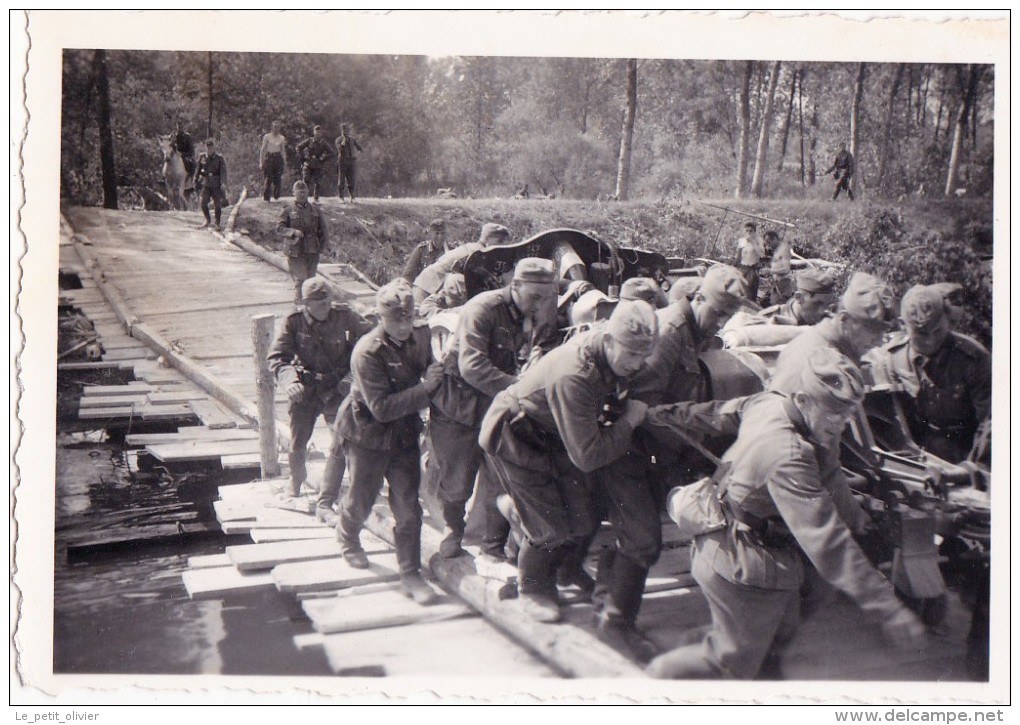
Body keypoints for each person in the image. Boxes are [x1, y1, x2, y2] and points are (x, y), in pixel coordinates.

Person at [644, 347, 926, 679]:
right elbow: (827, 542)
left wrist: (658, 414)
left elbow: (716, 413)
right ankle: (654, 682)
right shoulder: (788, 454)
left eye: (848, 413)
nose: (842, 423)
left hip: (756, 548)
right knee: (729, 660)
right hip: (739, 560)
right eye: (834, 413)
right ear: (803, 400)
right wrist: (888, 609)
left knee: (783, 627)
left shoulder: (773, 405)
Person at [479, 300, 658, 623]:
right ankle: (533, 587)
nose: (638, 363)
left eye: (644, 355)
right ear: (608, 340)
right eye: (631, 354)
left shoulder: (606, 355)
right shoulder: (574, 374)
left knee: (584, 516)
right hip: (516, 437)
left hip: (552, 436)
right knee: (550, 529)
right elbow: (588, 457)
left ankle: (564, 567)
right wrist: (629, 421)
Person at [429, 258, 560, 562]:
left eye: (546, 297)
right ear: (515, 286)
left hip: (495, 404)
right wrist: (519, 387)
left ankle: (491, 546)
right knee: (457, 480)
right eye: (534, 297)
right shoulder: (483, 309)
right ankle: (453, 530)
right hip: (458, 405)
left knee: (498, 477)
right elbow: (472, 367)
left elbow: (538, 348)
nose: (539, 305)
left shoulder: (533, 313)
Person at [334, 279, 446, 605]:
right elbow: (381, 409)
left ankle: (410, 573)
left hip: (403, 436)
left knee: (409, 510)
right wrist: (426, 389)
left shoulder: (421, 335)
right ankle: (347, 535)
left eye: (409, 317)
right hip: (367, 435)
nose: (404, 325)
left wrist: (438, 371)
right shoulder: (367, 352)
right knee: (361, 500)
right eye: (396, 319)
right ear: (381, 317)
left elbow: (429, 365)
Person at [267, 278, 373, 504]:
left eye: (328, 300)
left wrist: (352, 376)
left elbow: (371, 342)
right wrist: (290, 382)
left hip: (338, 389)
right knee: (298, 441)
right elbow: (277, 358)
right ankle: (295, 480)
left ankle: (355, 488)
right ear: (306, 303)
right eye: (321, 303)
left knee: (347, 438)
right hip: (306, 389)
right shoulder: (293, 322)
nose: (327, 306)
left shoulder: (345, 316)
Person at [869, 284, 991, 464]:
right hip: (918, 455)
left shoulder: (973, 358)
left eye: (937, 330)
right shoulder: (893, 358)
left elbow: (991, 421)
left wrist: (972, 469)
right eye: (921, 333)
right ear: (903, 325)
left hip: (967, 451)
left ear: (946, 319)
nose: (930, 340)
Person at [769, 271, 896, 394]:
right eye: (872, 330)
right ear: (844, 319)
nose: (879, 342)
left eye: (882, 332)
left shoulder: (834, 348)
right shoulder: (820, 361)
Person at [412, 223, 512, 303]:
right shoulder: (479, 253)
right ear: (487, 239)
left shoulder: (473, 247)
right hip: (429, 287)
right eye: (499, 241)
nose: (502, 245)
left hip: (427, 283)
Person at [277, 180, 329, 305]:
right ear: (293, 193)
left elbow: (324, 230)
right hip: (295, 250)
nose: (302, 194)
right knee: (300, 280)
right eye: (299, 192)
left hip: (312, 249)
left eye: (304, 191)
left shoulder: (315, 210)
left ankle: (309, 307)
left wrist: (323, 247)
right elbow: (279, 228)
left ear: (307, 193)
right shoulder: (288, 210)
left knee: (311, 281)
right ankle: (299, 305)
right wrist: (293, 232)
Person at [194, 138, 228, 229]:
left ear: (214, 148)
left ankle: (217, 223)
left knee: (217, 204)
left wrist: (223, 183)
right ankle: (208, 219)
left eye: (211, 148)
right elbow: (197, 169)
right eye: (208, 148)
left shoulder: (219, 158)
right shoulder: (202, 157)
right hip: (206, 183)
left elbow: (223, 172)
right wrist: (196, 179)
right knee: (203, 202)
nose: (210, 150)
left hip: (216, 184)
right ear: (205, 148)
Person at [296, 125, 334, 202]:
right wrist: (303, 156)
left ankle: (316, 198)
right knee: (305, 181)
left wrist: (323, 157)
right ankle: (303, 198)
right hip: (308, 163)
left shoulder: (323, 143)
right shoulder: (309, 141)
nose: (317, 136)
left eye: (319, 134)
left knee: (318, 182)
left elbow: (332, 153)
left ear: (321, 134)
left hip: (318, 165)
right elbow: (298, 147)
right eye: (316, 134)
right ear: (313, 133)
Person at [734, 222, 765, 302]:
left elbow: (762, 254)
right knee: (739, 290)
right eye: (747, 231)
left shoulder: (759, 240)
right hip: (742, 268)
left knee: (750, 293)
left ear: (754, 232)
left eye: (751, 231)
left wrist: (753, 242)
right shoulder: (742, 241)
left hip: (752, 269)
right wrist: (734, 266)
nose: (749, 233)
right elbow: (738, 255)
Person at [763, 230, 794, 305]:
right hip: (777, 283)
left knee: (779, 306)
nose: (768, 245)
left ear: (774, 239)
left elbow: (786, 269)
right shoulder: (777, 249)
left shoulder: (784, 249)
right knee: (773, 304)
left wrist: (770, 271)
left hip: (784, 283)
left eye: (769, 242)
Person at [259, 120, 287, 202]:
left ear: (279, 128)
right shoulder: (267, 137)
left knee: (278, 178)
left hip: (278, 158)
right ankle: (266, 197)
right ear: (272, 127)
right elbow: (263, 149)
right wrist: (261, 162)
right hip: (269, 158)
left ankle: (276, 195)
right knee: (268, 177)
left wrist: (284, 161)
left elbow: (283, 150)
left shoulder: (282, 138)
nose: (276, 129)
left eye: (278, 127)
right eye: (274, 127)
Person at [335, 123, 363, 203]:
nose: (345, 132)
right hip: (342, 162)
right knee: (341, 180)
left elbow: (359, 147)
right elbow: (339, 148)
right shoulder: (338, 140)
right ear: (342, 131)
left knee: (351, 180)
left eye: (347, 130)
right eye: (344, 130)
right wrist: (343, 140)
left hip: (351, 162)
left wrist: (357, 154)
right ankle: (341, 197)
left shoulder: (352, 140)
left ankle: (352, 197)